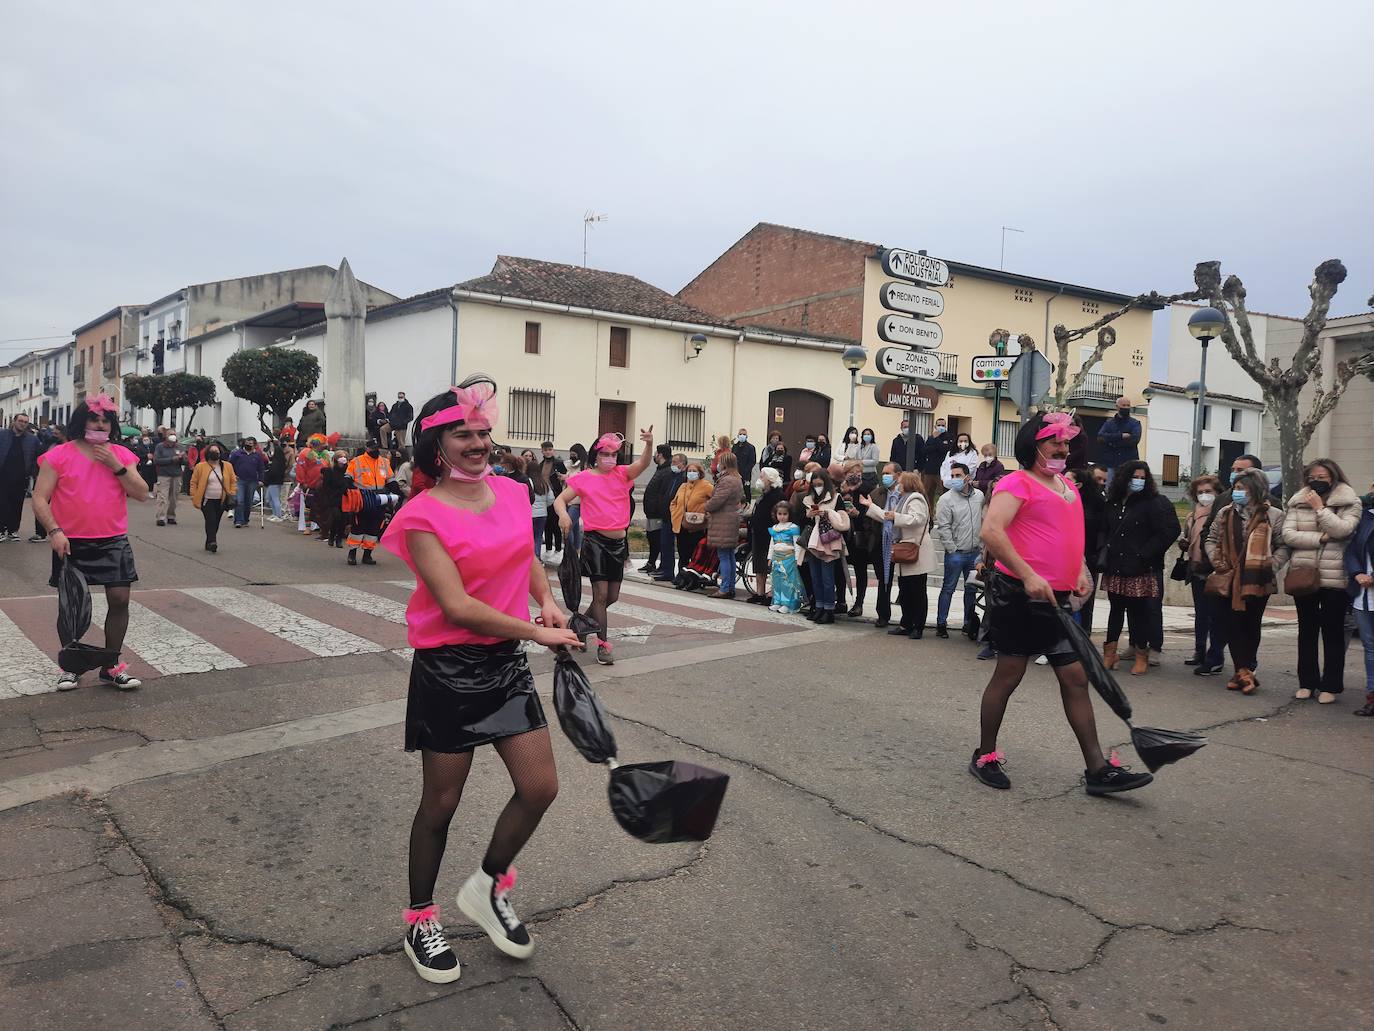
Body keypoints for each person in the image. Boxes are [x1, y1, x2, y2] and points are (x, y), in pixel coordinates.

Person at [379, 385, 580, 984]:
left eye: (482, 433)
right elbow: (457, 606)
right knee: (441, 805)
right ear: (437, 444)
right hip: (448, 670)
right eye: (462, 434)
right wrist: (535, 632)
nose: (477, 443)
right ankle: (420, 918)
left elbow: (527, 560)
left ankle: (488, 886)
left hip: (504, 663)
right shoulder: (421, 515)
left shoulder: (516, 493)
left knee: (540, 787)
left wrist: (546, 604)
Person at [970, 411, 1153, 796]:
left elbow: (1066, 536)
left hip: (1058, 598)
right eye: (1054, 441)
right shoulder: (1016, 483)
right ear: (1033, 444)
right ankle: (984, 755)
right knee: (1009, 675)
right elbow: (991, 531)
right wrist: (1029, 574)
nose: (1062, 448)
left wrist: (1081, 570)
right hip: (1017, 594)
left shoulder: (1066, 486)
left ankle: (1098, 770)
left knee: (1075, 678)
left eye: (1067, 442)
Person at [31, 396, 150, 690]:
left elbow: (142, 493)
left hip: (112, 540)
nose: (99, 424)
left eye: (105, 420)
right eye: (94, 419)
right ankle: (71, 667)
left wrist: (115, 465)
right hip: (70, 541)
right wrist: (55, 531)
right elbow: (39, 498)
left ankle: (110, 667)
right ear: (82, 421)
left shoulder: (122, 455)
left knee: (120, 600)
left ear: (112, 425)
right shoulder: (59, 455)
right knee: (71, 607)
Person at [554, 426, 656, 665]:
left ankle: (581, 624)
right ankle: (603, 645)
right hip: (595, 543)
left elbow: (643, 462)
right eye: (605, 455)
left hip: (619, 544)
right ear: (596, 456)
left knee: (612, 597)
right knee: (600, 595)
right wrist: (563, 515)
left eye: (613, 455)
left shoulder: (623, 474)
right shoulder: (584, 478)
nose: (610, 459)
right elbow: (560, 499)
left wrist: (649, 444)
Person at [1280, 459, 1360, 704]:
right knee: (1306, 631)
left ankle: (1331, 685)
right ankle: (1307, 682)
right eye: (1313, 476)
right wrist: (1321, 539)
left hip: (1335, 577)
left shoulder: (1350, 501)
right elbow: (1288, 534)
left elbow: (1342, 530)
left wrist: (1319, 509)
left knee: (1333, 632)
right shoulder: (1297, 501)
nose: (1317, 480)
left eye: (1323, 476)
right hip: (1303, 573)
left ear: (1333, 477)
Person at [1205, 468, 1284, 695]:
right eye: (1236, 488)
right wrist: (1216, 560)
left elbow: (1283, 545)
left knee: (1252, 624)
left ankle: (1243, 671)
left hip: (1259, 579)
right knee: (1234, 625)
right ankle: (1243, 672)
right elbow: (1211, 539)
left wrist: (1271, 565)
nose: (1237, 493)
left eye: (1242, 489)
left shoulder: (1274, 515)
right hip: (1230, 577)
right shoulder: (1225, 513)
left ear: (1256, 490)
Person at [1100, 462, 1180, 676]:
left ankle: (1141, 655)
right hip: (1116, 565)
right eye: (1135, 476)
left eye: (1143, 477)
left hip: (1140, 567)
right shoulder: (1113, 502)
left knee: (1139, 612)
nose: (1139, 481)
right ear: (1124, 478)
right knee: (1115, 610)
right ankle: (1110, 653)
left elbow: (1167, 532)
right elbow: (1105, 529)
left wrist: (1145, 553)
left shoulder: (1153, 503)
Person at [860, 469, 931, 638]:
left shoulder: (916, 499)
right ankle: (906, 624)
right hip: (903, 549)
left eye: (900, 482)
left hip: (914, 550)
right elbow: (888, 517)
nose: (898, 485)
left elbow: (916, 519)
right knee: (905, 591)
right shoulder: (902, 500)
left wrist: (895, 516)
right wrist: (871, 506)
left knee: (917, 591)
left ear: (908, 484)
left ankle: (918, 626)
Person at [1180, 475, 1226, 676]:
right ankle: (1200, 650)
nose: (1204, 496)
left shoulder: (1222, 513)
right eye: (1200, 492)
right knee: (1200, 613)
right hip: (1196, 568)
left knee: (1216, 615)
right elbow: (1187, 536)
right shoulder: (1192, 515)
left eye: (1208, 492)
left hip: (1214, 568)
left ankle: (1215, 655)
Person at [934, 461, 984, 639]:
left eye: (958, 475)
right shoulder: (946, 499)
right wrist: (952, 548)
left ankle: (968, 624)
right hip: (956, 553)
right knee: (948, 588)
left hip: (975, 553)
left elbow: (983, 520)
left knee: (971, 590)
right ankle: (941, 623)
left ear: (968, 477)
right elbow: (943, 526)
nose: (954, 479)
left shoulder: (979, 496)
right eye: (952, 476)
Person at [799, 468, 846, 624]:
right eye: (814, 484)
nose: (817, 486)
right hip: (812, 541)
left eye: (820, 484)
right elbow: (802, 521)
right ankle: (818, 607)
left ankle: (829, 610)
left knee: (827, 577)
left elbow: (841, 519)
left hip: (828, 541)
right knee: (815, 577)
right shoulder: (808, 499)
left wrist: (826, 514)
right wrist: (809, 515)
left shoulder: (835, 498)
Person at [346, 438, 397, 566]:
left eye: (377, 447)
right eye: (373, 448)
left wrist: (396, 489)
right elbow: (348, 478)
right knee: (358, 526)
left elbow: (390, 479)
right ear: (367, 448)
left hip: (380, 498)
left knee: (374, 527)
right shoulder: (356, 461)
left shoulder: (384, 462)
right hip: (362, 497)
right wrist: (349, 489)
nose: (376, 450)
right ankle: (352, 554)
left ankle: (367, 554)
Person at [1346, 483, 1374, 716]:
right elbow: (1352, 550)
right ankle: (1372, 696)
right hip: (1363, 595)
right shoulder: (1366, 517)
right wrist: (1358, 573)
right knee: (1370, 648)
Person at [705, 452, 745, 599]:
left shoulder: (727, 480)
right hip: (730, 519)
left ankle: (725, 588)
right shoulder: (737, 478)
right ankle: (730, 586)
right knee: (729, 555)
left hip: (724, 521)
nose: (718, 464)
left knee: (724, 555)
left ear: (725, 464)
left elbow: (717, 500)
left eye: (720, 462)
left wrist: (706, 505)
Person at [669, 460, 713, 587]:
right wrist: (674, 513)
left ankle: (693, 579)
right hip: (681, 524)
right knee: (683, 554)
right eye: (689, 471)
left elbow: (715, 500)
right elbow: (674, 502)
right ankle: (681, 577)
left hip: (697, 526)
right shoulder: (683, 486)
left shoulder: (706, 486)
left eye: (694, 471)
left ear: (700, 473)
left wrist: (705, 512)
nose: (691, 473)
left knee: (694, 554)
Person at [745, 467, 786, 604]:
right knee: (758, 565)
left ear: (770, 479)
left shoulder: (777, 495)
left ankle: (772, 594)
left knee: (771, 565)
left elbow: (778, 515)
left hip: (770, 535)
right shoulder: (764, 493)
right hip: (758, 533)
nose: (760, 479)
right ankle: (759, 592)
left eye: (762, 476)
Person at [189, 442, 236, 553]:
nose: (215, 453)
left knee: (216, 522)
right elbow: (193, 482)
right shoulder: (201, 466)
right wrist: (194, 495)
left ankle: (209, 540)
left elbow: (233, 480)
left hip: (221, 500)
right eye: (212, 451)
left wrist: (232, 492)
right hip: (207, 499)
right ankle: (213, 542)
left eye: (217, 452)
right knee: (211, 520)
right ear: (208, 453)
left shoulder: (227, 466)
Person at [0, 413, 39, 541]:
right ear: (14, 421)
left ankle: (13, 530)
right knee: (2, 503)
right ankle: (1, 530)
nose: (22, 423)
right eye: (20, 421)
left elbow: (36, 458)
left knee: (17, 505)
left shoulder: (32, 440)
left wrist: (33, 473)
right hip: (3, 476)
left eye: (25, 422)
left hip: (21, 478)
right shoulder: (2, 435)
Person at [640, 444, 676, 575]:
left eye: (656, 453)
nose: (655, 455)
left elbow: (663, 492)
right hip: (652, 511)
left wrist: (657, 507)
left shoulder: (666, 471)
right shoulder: (661, 469)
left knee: (657, 539)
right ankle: (651, 562)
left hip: (657, 512)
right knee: (652, 537)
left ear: (660, 455)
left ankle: (660, 566)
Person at [768, 500, 805, 614]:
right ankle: (777, 601)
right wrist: (769, 557)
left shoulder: (793, 528)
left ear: (790, 514)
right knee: (776, 580)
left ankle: (788, 603)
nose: (782, 517)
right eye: (780, 514)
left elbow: (797, 544)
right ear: (776, 514)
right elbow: (772, 544)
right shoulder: (774, 528)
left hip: (789, 558)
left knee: (788, 581)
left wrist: (797, 558)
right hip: (776, 558)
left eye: (785, 514)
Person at [1096, 397, 1142, 479]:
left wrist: (1111, 441)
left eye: (1128, 405)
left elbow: (1134, 440)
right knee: (1110, 489)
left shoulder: (1135, 423)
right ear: (1117, 407)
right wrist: (1120, 436)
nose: (1126, 407)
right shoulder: (1109, 423)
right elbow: (1100, 438)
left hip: (1129, 464)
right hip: (1110, 463)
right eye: (1123, 405)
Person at [228, 437, 267, 528]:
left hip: (252, 481)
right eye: (247, 442)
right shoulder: (237, 454)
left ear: (254, 445)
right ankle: (238, 520)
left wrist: (261, 480)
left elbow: (261, 469)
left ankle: (245, 520)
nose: (249, 444)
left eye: (251, 443)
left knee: (248, 501)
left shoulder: (257, 456)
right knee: (240, 500)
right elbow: (229, 465)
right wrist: (232, 475)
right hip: (239, 480)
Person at [295, 434, 329, 534]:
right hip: (309, 485)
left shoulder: (323, 454)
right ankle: (307, 527)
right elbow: (301, 468)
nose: (325, 446)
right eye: (323, 444)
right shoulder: (307, 453)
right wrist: (302, 482)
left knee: (320, 506)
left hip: (321, 485)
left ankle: (319, 525)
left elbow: (326, 465)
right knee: (308, 506)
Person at [537, 442, 568, 556]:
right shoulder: (540, 465)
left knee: (555, 523)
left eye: (550, 449)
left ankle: (558, 548)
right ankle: (549, 548)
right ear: (542, 451)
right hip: (544, 497)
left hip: (557, 497)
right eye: (545, 450)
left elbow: (566, 478)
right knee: (547, 524)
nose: (548, 452)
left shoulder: (559, 463)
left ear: (553, 450)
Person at [316, 450, 350, 548]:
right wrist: (329, 498)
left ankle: (338, 538)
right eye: (340, 458)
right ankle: (332, 535)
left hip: (344, 498)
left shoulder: (347, 472)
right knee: (336, 516)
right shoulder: (330, 471)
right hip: (333, 498)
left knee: (343, 519)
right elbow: (326, 487)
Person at [528, 457, 554, 562]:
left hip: (531, 513)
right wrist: (544, 506)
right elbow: (551, 498)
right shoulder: (544, 482)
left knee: (530, 537)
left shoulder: (528, 481)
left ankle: (530, 558)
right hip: (543, 514)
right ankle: (537, 557)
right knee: (538, 536)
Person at [563, 443, 587, 557]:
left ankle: (571, 552)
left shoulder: (584, 467)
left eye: (574, 453)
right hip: (568, 500)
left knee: (568, 526)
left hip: (577, 502)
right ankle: (577, 551)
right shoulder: (570, 467)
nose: (572, 455)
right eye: (571, 453)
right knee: (575, 528)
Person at [921, 418, 951, 501]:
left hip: (942, 472)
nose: (941, 427)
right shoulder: (930, 438)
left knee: (943, 494)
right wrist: (937, 446)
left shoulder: (949, 437)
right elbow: (925, 450)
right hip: (929, 470)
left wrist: (937, 440)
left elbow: (944, 449)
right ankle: (929, 513)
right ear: (935, 426)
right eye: (939, 425)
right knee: (927, 494)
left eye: (943, 425)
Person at [262, 437, 288, 521]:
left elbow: (272, 473)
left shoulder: (276, 463)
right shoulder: (278, 462)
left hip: (274, 482)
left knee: (274, 498)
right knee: (269, 498)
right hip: (274, 482)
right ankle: (274, 514)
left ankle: (278, 515)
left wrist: (266, 479)